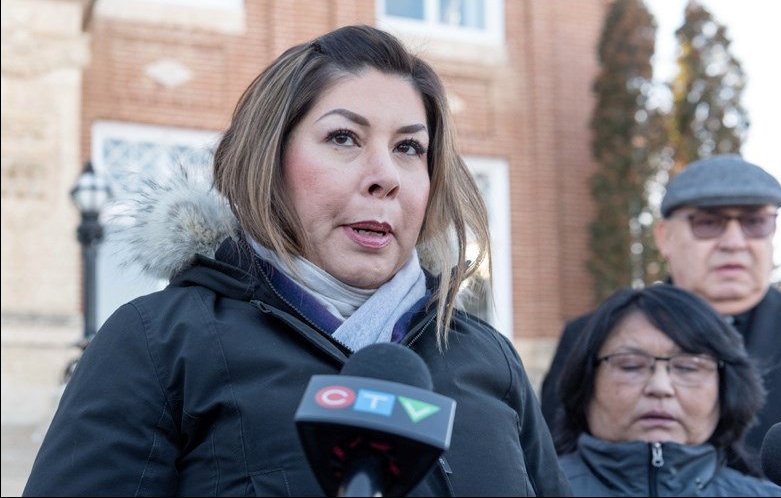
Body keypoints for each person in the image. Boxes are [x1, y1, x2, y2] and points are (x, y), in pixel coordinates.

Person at [23, 25, 572, 497]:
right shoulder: (160, 343)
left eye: (409, 148)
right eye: (343, 137)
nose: (385, 175)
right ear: (270, 159)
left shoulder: (488, 359)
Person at [541, 154, 781, 467]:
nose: (734, 242)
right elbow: (552, 462)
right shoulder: (592, 336)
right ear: (665, 237)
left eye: (754, 223)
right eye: (708, 223)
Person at [553, 284, 781, 496]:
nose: (660, 387)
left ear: (726, 391)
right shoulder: (531, 488)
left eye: (689, 367)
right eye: (630, 365)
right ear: (585, 384)